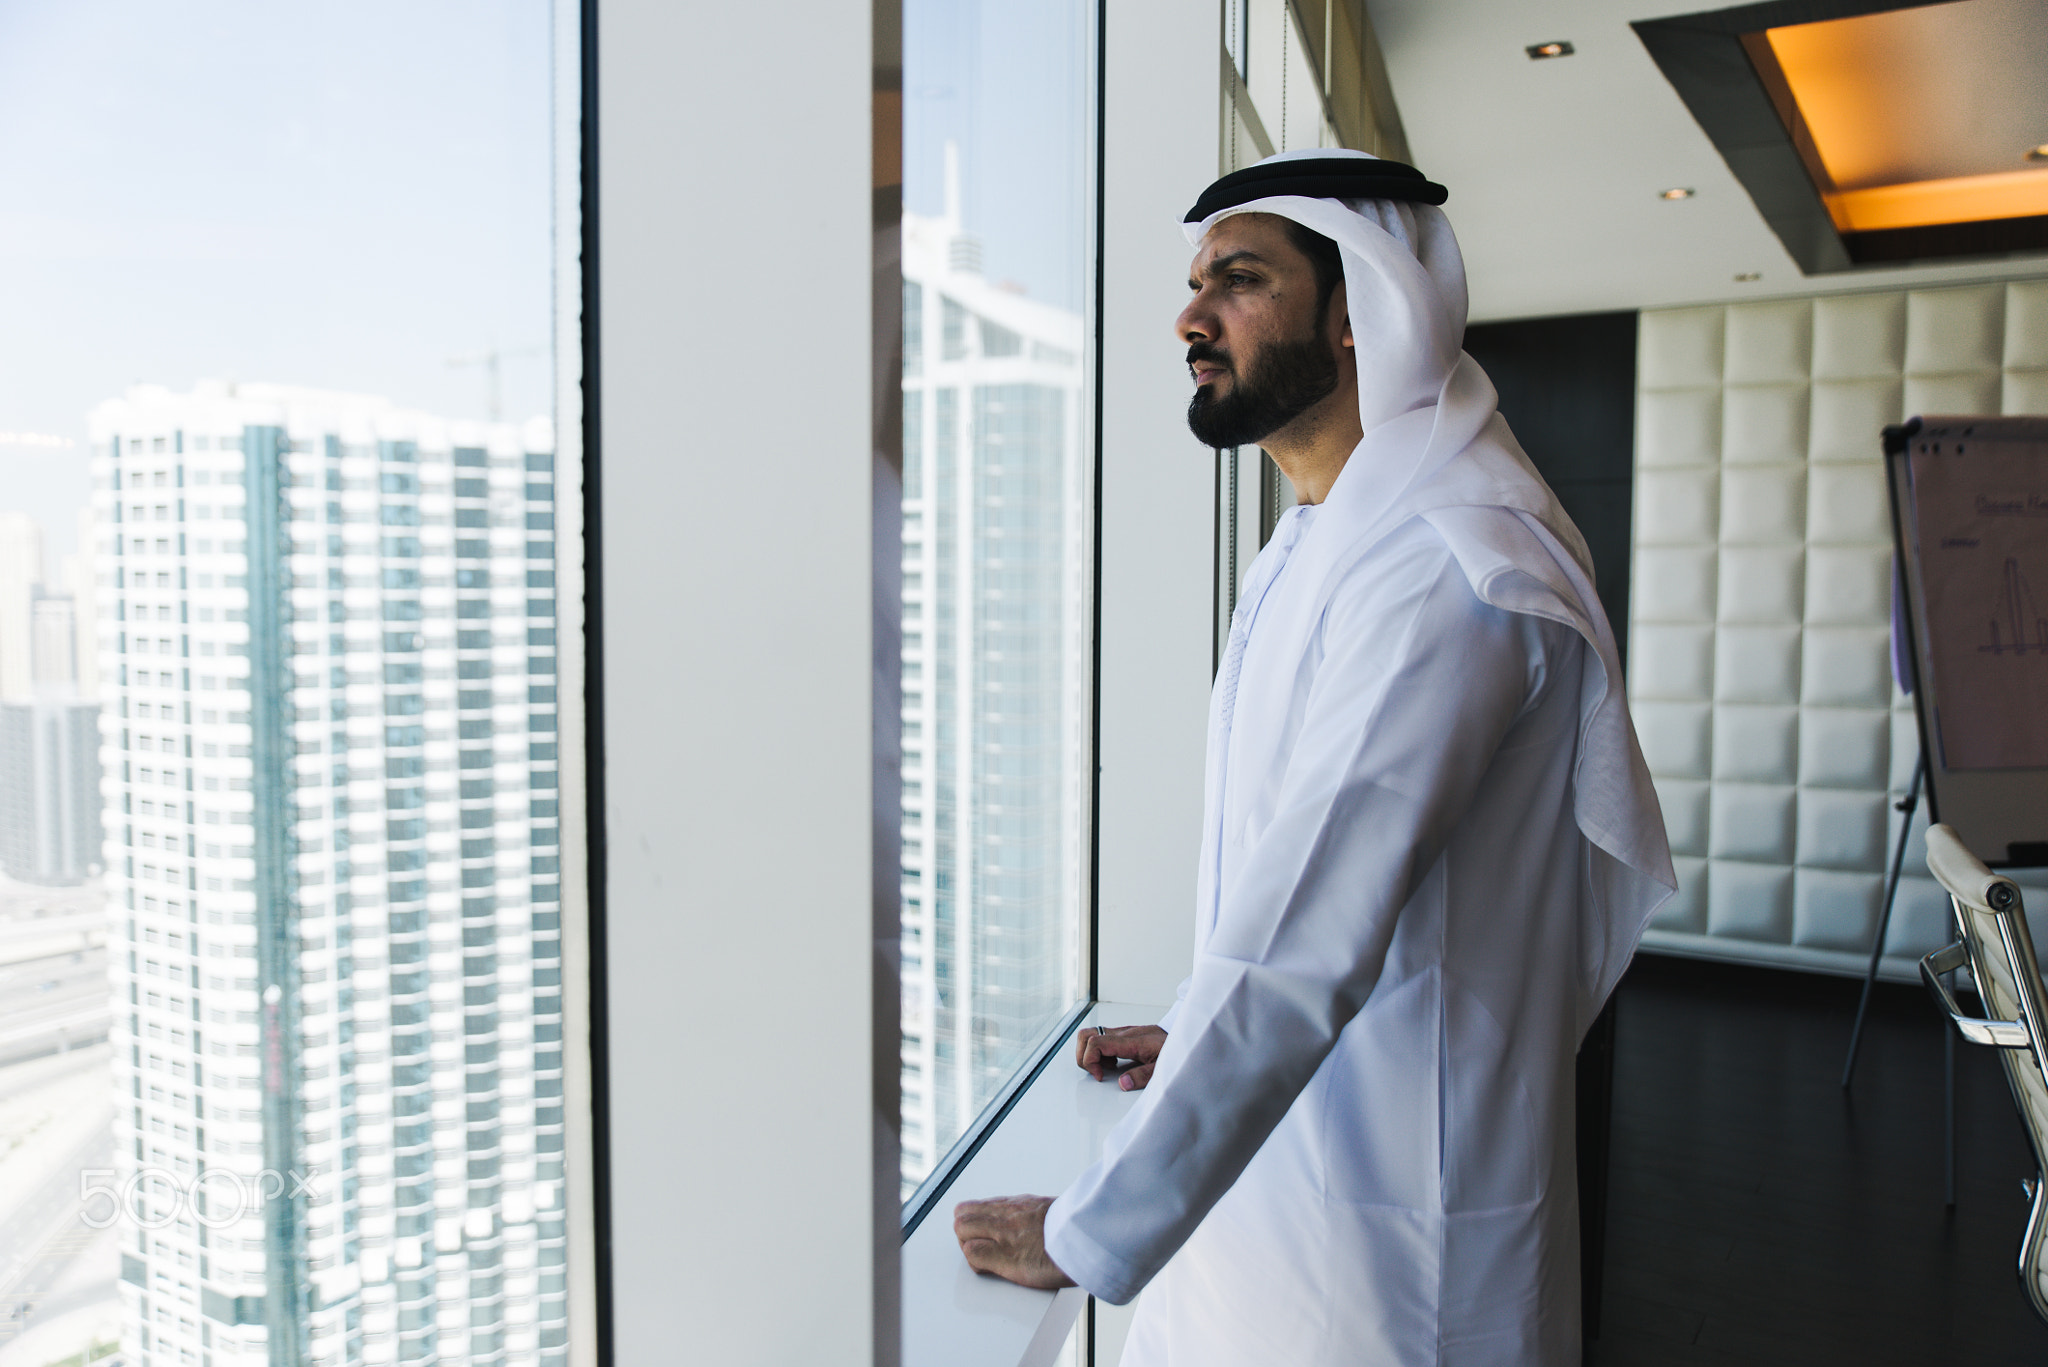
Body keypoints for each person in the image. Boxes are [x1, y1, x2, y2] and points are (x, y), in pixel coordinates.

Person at [950, 148, 1675, 1365]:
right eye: (1193, 284)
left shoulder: (1446, 567)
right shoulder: (1323, 543)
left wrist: (1085, 1231)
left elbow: (1305, 936)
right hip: (1274, 1191)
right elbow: (1269, 875)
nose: (1189, 316)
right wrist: (1190, 1023)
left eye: (1238, 279)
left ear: (1361, 314)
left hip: (1393, 1248)